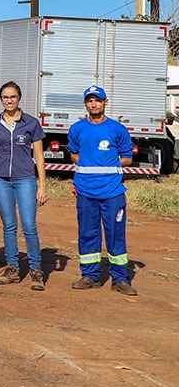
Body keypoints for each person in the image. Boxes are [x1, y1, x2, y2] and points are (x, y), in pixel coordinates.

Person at [68, 85, 136, 296]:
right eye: (90, 100)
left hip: (112, 193)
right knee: (87, 234)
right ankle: (90, 276)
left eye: (98, 100)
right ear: (85, 104)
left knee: (116, 236)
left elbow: (127, 158)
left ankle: (121, 279)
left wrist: (107, 166)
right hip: (85, 192)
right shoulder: (77, 129)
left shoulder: (117, 129)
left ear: (106, 102)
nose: (94, 103)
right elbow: (74, 154)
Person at [0, 81, 48, 290]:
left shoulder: (31, 123)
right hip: (1, 180)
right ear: (1, 99)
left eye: (12, 97)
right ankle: (12, 267)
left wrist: (42, 186)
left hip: (25, 179)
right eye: (5, 97)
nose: (9, 101)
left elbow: (39, 155)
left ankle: (36, 269)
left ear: (19, 98)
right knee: (9, 225)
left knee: (29, 225)